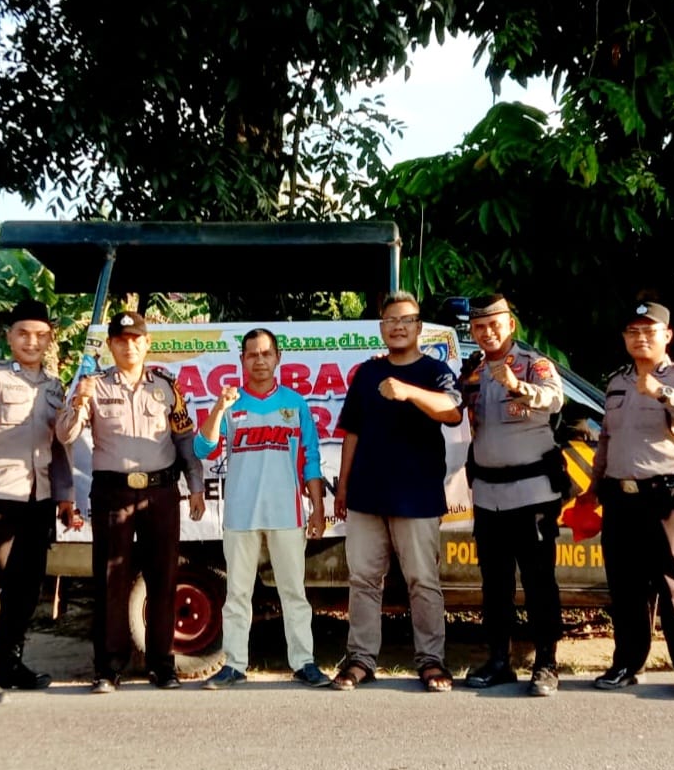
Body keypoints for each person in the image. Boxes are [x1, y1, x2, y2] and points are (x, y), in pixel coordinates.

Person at [56, 310, 205, 694]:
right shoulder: (94, 386)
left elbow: (185, 439)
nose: (129, 346)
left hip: (160, 492)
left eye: (136, 339)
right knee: (111, 580)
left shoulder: (166, 388)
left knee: (164, 578)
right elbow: (65, 435)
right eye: (121, 340)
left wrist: (196, 485)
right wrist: (78, 402)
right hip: (113, 492)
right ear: (110, 346)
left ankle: (162, 665)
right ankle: (108, 668)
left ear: (147, 343)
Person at [331, 291, 463, 692]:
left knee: (422, 581)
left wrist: (408, 392)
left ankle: (431, 661)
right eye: (391, 320)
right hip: (366, 494)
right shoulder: (367, 374)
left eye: (406, 320)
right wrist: (343, 485)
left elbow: (452, 411)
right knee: (363, 580)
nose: (398, 326)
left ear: (419, 327)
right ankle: (360, 660)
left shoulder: (435, 370)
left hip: (417, 496)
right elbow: (351, 431)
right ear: (382, 327)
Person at [589, 302, 674, 699]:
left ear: (667, 335)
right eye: (632, 331)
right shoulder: (616, 381)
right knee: (626, 588)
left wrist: (664, 393)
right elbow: (608, 439)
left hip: (667, 496)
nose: (640, 338)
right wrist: (594, 487)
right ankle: (628, 664)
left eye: (649, 331)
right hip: (621, 497)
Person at [0, 299, 80, 707]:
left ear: (49, 340)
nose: (32, 341)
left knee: (26, 586)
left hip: (38, 499)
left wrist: (64, 497)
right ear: (10, 337)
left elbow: (60, 447)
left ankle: (10, 662)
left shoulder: (54, 386)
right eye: (23, 333)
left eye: (40, 335)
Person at [192, 328, 330, 689]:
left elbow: (310, 461)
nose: (259, 361)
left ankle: (304, 662)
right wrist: (220, 408)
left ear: (277, 358)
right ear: (242, 360)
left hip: (287, 513)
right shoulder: (231, 403)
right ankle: (234, 664)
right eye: (252, 354)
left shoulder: (295, 404)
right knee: (237, 594)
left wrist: (317, 509)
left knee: (293, 593)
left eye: (266, 353)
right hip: (240, 514)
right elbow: (202, 449)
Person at [458, 295, 567, 696]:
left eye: (494, 325)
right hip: (488, 495)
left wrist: (517, 386)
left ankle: (546, 664)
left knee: (540, 582)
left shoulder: (533, 365)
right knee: (495, 585)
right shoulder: (472, 371)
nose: (487, 333)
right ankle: (499, 661)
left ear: (510, 326)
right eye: (479, 327)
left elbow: (555, 399)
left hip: (532, 495)